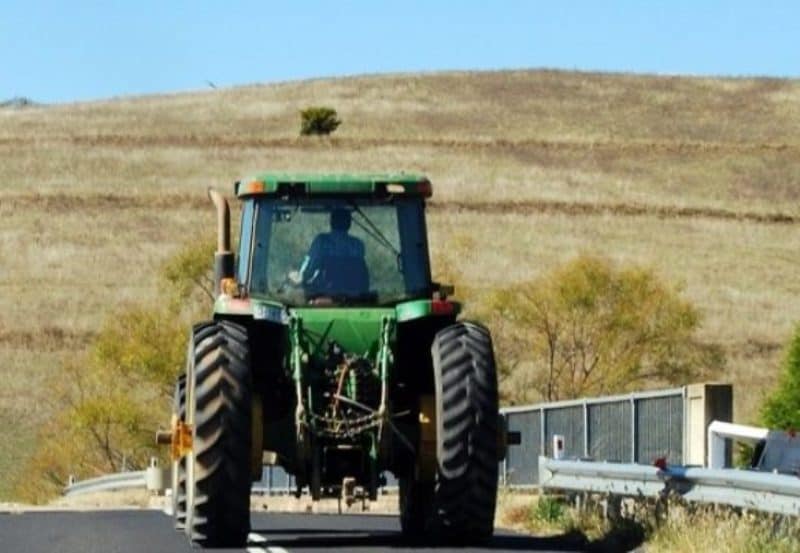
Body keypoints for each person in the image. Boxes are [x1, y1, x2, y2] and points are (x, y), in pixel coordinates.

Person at [289, 208, 369, 297]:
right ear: (349, 224)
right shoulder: (357, 244)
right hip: (354, 298)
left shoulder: (322, 242)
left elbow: (309, 270)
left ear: (331, 222)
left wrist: (299, 277)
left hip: (325, 297)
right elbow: (362, 276)